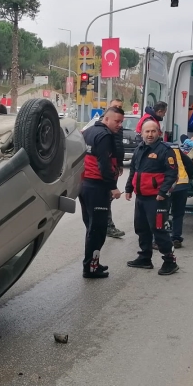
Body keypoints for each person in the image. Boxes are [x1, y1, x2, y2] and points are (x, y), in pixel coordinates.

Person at [125, 119, 179, 275]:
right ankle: (145, 258)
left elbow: (172, 174)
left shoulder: (165, 151)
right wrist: (129, 188)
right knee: (141, 228)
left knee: (159, 229)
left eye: (153, 131)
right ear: (141, 133)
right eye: (147, 131)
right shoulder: (139, 149)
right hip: (141, 197)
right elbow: (133, 172)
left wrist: (163, 193)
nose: (149, 134)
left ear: (159, 133)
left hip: (157, 198)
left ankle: (170, 261)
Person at [79, 107, 124, 278]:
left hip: (84, 186)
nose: (119, 125)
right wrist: (113, 186)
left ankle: (92, 263)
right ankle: (91, 268)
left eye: (121, 122)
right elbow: (104, 164)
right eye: (117, 121)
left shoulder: (88, 131)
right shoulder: (105, 136)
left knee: (91, 228)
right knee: (97, 231)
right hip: (97, 186)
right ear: (106, 119)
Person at [167, 143, 193, 248]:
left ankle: (159, 239)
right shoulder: (175, 148)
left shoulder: (156, 149)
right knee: (178, 214)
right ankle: (176, 238)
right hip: (182, 184)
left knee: (161, 213)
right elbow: (189, 163)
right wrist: (189, 177)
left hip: (166, 186)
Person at [106, 100, 127, 239]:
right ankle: (108, 226)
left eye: (120, 107)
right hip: (108, 166)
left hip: (114, 165)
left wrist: (119, 164)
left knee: (107, 198)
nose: (118, 108)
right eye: (115, 106)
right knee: (106, 197)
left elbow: (119, 147)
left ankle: (106, 225)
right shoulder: (105, 129)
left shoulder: (118, 128)